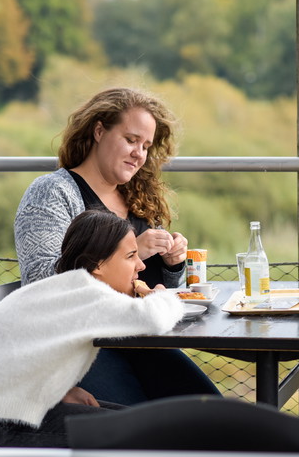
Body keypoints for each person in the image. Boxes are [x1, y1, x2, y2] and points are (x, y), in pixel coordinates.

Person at [14, 87, 220, 404]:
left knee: (212, 411)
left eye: (146, 146)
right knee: (154, 426)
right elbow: (45, 285)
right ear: (99, 131)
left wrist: (170, 264)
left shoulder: (136, 198)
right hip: (81, 348)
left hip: (141, 343)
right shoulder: (52, 193)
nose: (140, 153)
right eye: (131, 139)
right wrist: (126, 251)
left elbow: (149, 286)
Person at [0, 210, 185, 447]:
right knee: (143, 434)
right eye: (131, 256)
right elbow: (154, 317)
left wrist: (61, 392)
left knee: (141, 423)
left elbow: (24, 356)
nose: (141, 266)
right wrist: (162, 295)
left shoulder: (64, 288)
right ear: (98, 264)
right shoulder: (87, 295)